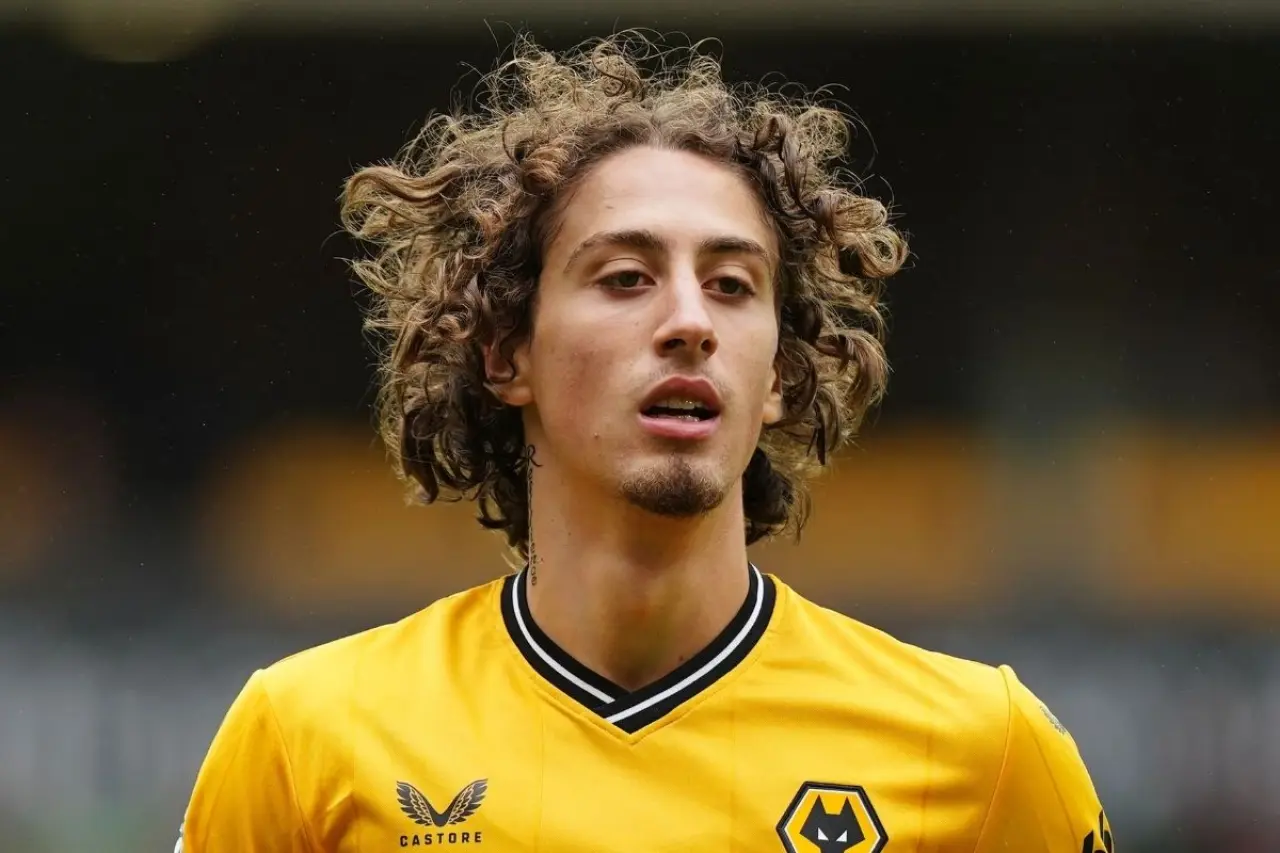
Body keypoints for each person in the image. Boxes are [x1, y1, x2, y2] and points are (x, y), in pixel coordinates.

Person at [177, 32, 1113, 853]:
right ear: (506, 351)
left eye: (733, 285)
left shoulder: (980, 754)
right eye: (626, 277)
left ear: (779, 375)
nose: (690, 321)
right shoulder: (307, 740)